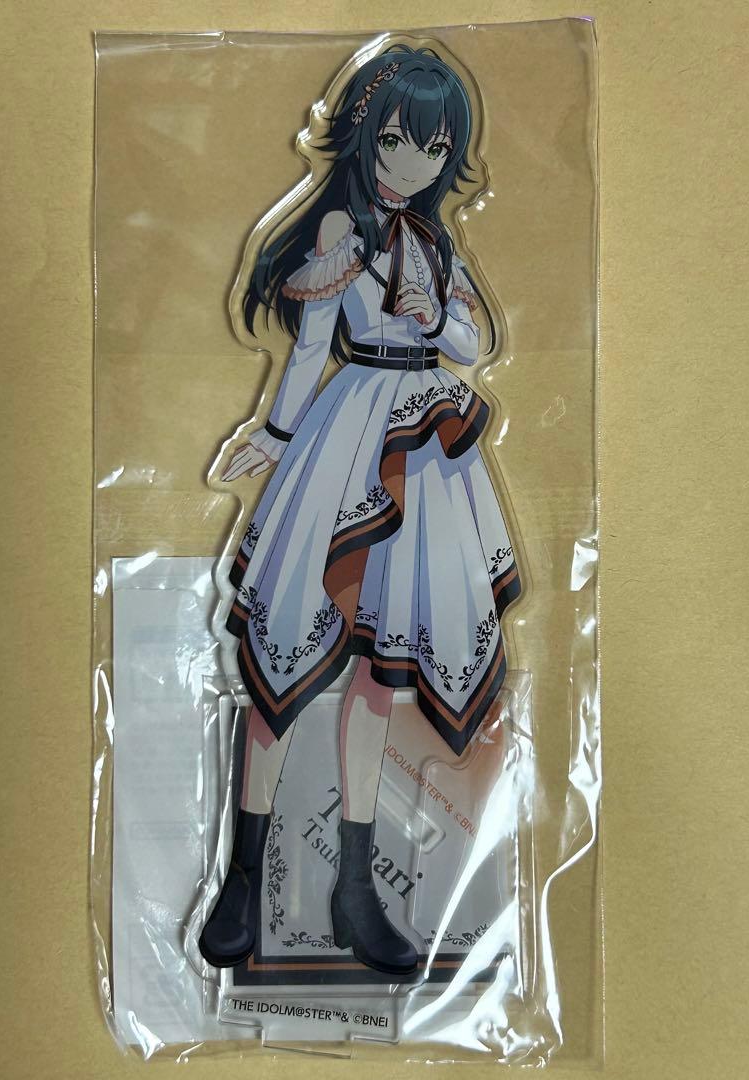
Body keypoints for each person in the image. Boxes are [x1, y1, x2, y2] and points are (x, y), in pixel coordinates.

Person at [198, 44, 520, 978]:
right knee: (291, 642)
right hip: (346, 434)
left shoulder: (437, 241)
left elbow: (471, 342)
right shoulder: (342, 226)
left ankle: (355, 886)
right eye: (396, 141)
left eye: (434, 148)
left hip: (426, 446)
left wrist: (430, 312)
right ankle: (242, 877)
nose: (412, 164)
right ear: (364, 135)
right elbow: (310, 345)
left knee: (384, 665)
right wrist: (276, 434)